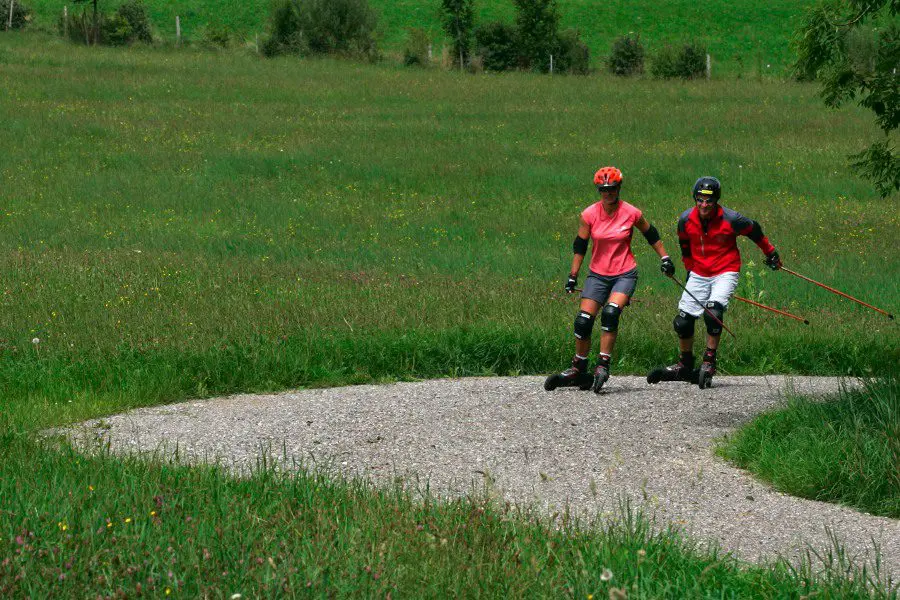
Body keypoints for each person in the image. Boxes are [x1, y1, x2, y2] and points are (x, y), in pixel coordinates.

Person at [545, 166, 674, 393]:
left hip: (624, 273)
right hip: (597, 274)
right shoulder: (589, 214)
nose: (608, 193)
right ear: (598, 190)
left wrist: (665, 257)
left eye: (612, 188)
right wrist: (573, 275)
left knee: (610, 313)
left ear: (618, 188)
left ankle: (603, 365)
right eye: (604, 189)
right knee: (583, 321)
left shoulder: (631, 212)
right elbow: (580, 246)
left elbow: (650, 233)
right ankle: (578, 369)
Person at [647, 176, 782, 389]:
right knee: (682, 321)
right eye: (700, 200)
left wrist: (771, 252)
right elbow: (685, 246)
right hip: (699, 272)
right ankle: (685, 365)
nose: (704, 205)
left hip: (725, 270)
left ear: (716, 200)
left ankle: (709, 362)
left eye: (708, 200)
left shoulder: (731, 218)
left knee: (713, 313)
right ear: (695, 199)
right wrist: (688, 270)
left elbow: (754, 230)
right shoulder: (685, 220)